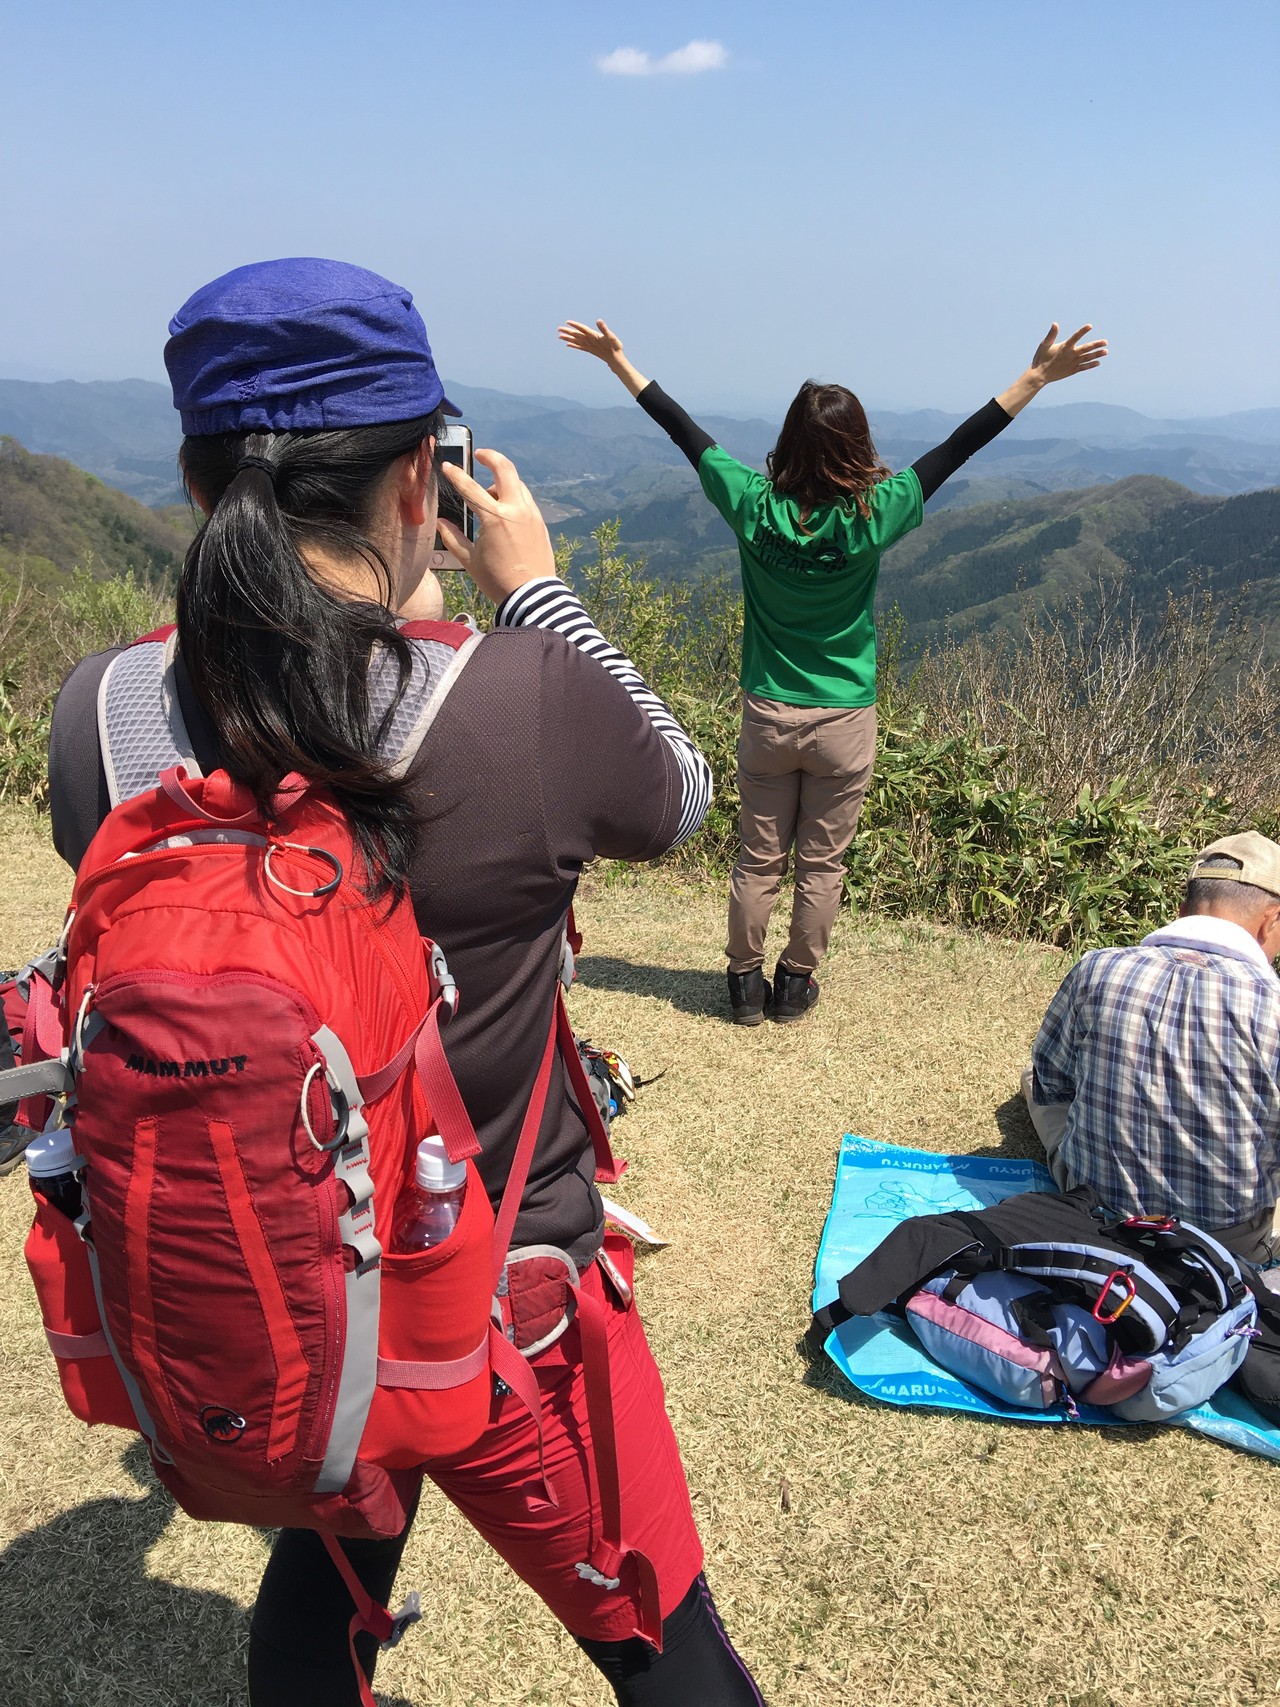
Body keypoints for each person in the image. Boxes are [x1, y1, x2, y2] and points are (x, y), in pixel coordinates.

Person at [46, 259, 763, 1707]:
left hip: (294, 1293)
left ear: (197, 487)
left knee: (323, 1587)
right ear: (416, 483)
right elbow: (680, 791)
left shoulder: (102, 714)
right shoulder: (517, 697)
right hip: (512, 1295)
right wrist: (536, 593)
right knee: (659, 1636)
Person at [558, 316, 1108, 1025]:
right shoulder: (875, 513)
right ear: (858, 446)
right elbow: (957, 448)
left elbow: (683, 431)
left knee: (757, 859)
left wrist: (619, 362)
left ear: (787, 441)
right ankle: (795, 986)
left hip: (768, 711)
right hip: (844, 717)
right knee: (822, 865)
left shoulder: (753, 506)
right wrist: (1035, 377)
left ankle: (743, 986)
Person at [1024, 832, 1280, 1263]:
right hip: (1218, 1242)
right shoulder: (1272, 1005)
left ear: (1182, 912)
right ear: (1271, 922)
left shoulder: (1097, 967)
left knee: (1032, 1080)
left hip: (1096, 1208)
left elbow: (1051, 1082)